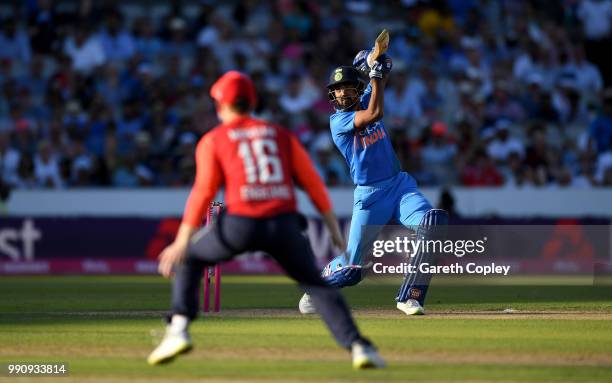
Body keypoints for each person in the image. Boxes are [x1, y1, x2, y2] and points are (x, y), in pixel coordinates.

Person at [147, 71, 385, 369]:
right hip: (284, 223)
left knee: (190, 260)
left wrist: (182, 241)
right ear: (252, 101)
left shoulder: (213, 139)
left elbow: (202, 193)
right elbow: (312, 184)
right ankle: (359, 347)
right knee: (317, 286)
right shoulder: (280, 135)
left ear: (221, 105)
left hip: (240, 223)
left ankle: (178, 331)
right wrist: (333, 228)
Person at [298, 51, 448, 316]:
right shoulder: (338, 121)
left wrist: (374, 61)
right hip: (370, 197)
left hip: (400, 186)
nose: (342, 95)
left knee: (433, 222)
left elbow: (386, 68)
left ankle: (410, 297)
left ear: (357, 89)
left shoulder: (365, 98)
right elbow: (376, 113)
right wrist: (374, 73)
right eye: (337, 90)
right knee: (352, 271)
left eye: (346, 89)